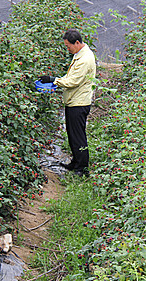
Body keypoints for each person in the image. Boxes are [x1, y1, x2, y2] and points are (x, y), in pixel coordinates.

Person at [40, 28, 96, 176]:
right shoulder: (80, 54)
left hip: (79, 103)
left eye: (68, 46)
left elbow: (72, 81)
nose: (67, 48)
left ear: (77, 42)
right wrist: (56, 82)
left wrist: (53, 80)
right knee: (72, 134)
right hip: (74, 101)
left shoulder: (84, 59)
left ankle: (82, 169)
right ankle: (76, 162)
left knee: (78, 136)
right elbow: (71, 76)